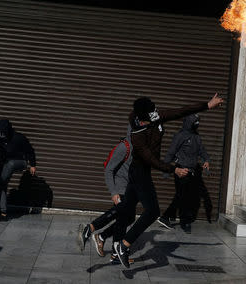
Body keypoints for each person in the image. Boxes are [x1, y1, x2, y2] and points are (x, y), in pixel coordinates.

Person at [110, 93, 223, 268]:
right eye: (152, 111)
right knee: (153, 211)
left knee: (126, 210)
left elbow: (180, 112)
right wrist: (173, 169)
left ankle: (100, 235)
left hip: (140, 172)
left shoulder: (154, 116)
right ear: (144, 116)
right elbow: (151, 160)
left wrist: (207, 105)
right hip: (140, 172)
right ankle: (124, 245)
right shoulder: (137, 135)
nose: (156, 112)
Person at [77, 125, 136, 263]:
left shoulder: (139, 148)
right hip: (121, 188)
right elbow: (109, 169)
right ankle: (91, 228)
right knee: (121, 214)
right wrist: (114, 192)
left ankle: (101, 237)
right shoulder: (124, 147)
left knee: (128, 219)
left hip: (130, 188)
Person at [157, 113, 211, 233]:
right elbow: (170, 153)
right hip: (181, 170)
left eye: (197, 122)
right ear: (189, 123)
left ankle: (167, 217)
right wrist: (166, 171)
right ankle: (181, 221)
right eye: (194, 122)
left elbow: (202, 151)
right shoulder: (180, 136)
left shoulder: (196, 137)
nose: (197, 124)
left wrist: (206, 160)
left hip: (192, 171)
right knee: (183, 196)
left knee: (183, 196)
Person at [0, 119, 36, 222]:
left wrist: (32, 165)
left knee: (10, 164)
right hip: (6, 165)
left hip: (21, 162)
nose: (1, 135)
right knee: (2, 184)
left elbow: (30, 150)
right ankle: (3, 213)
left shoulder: (18, 137)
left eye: (3, 132)